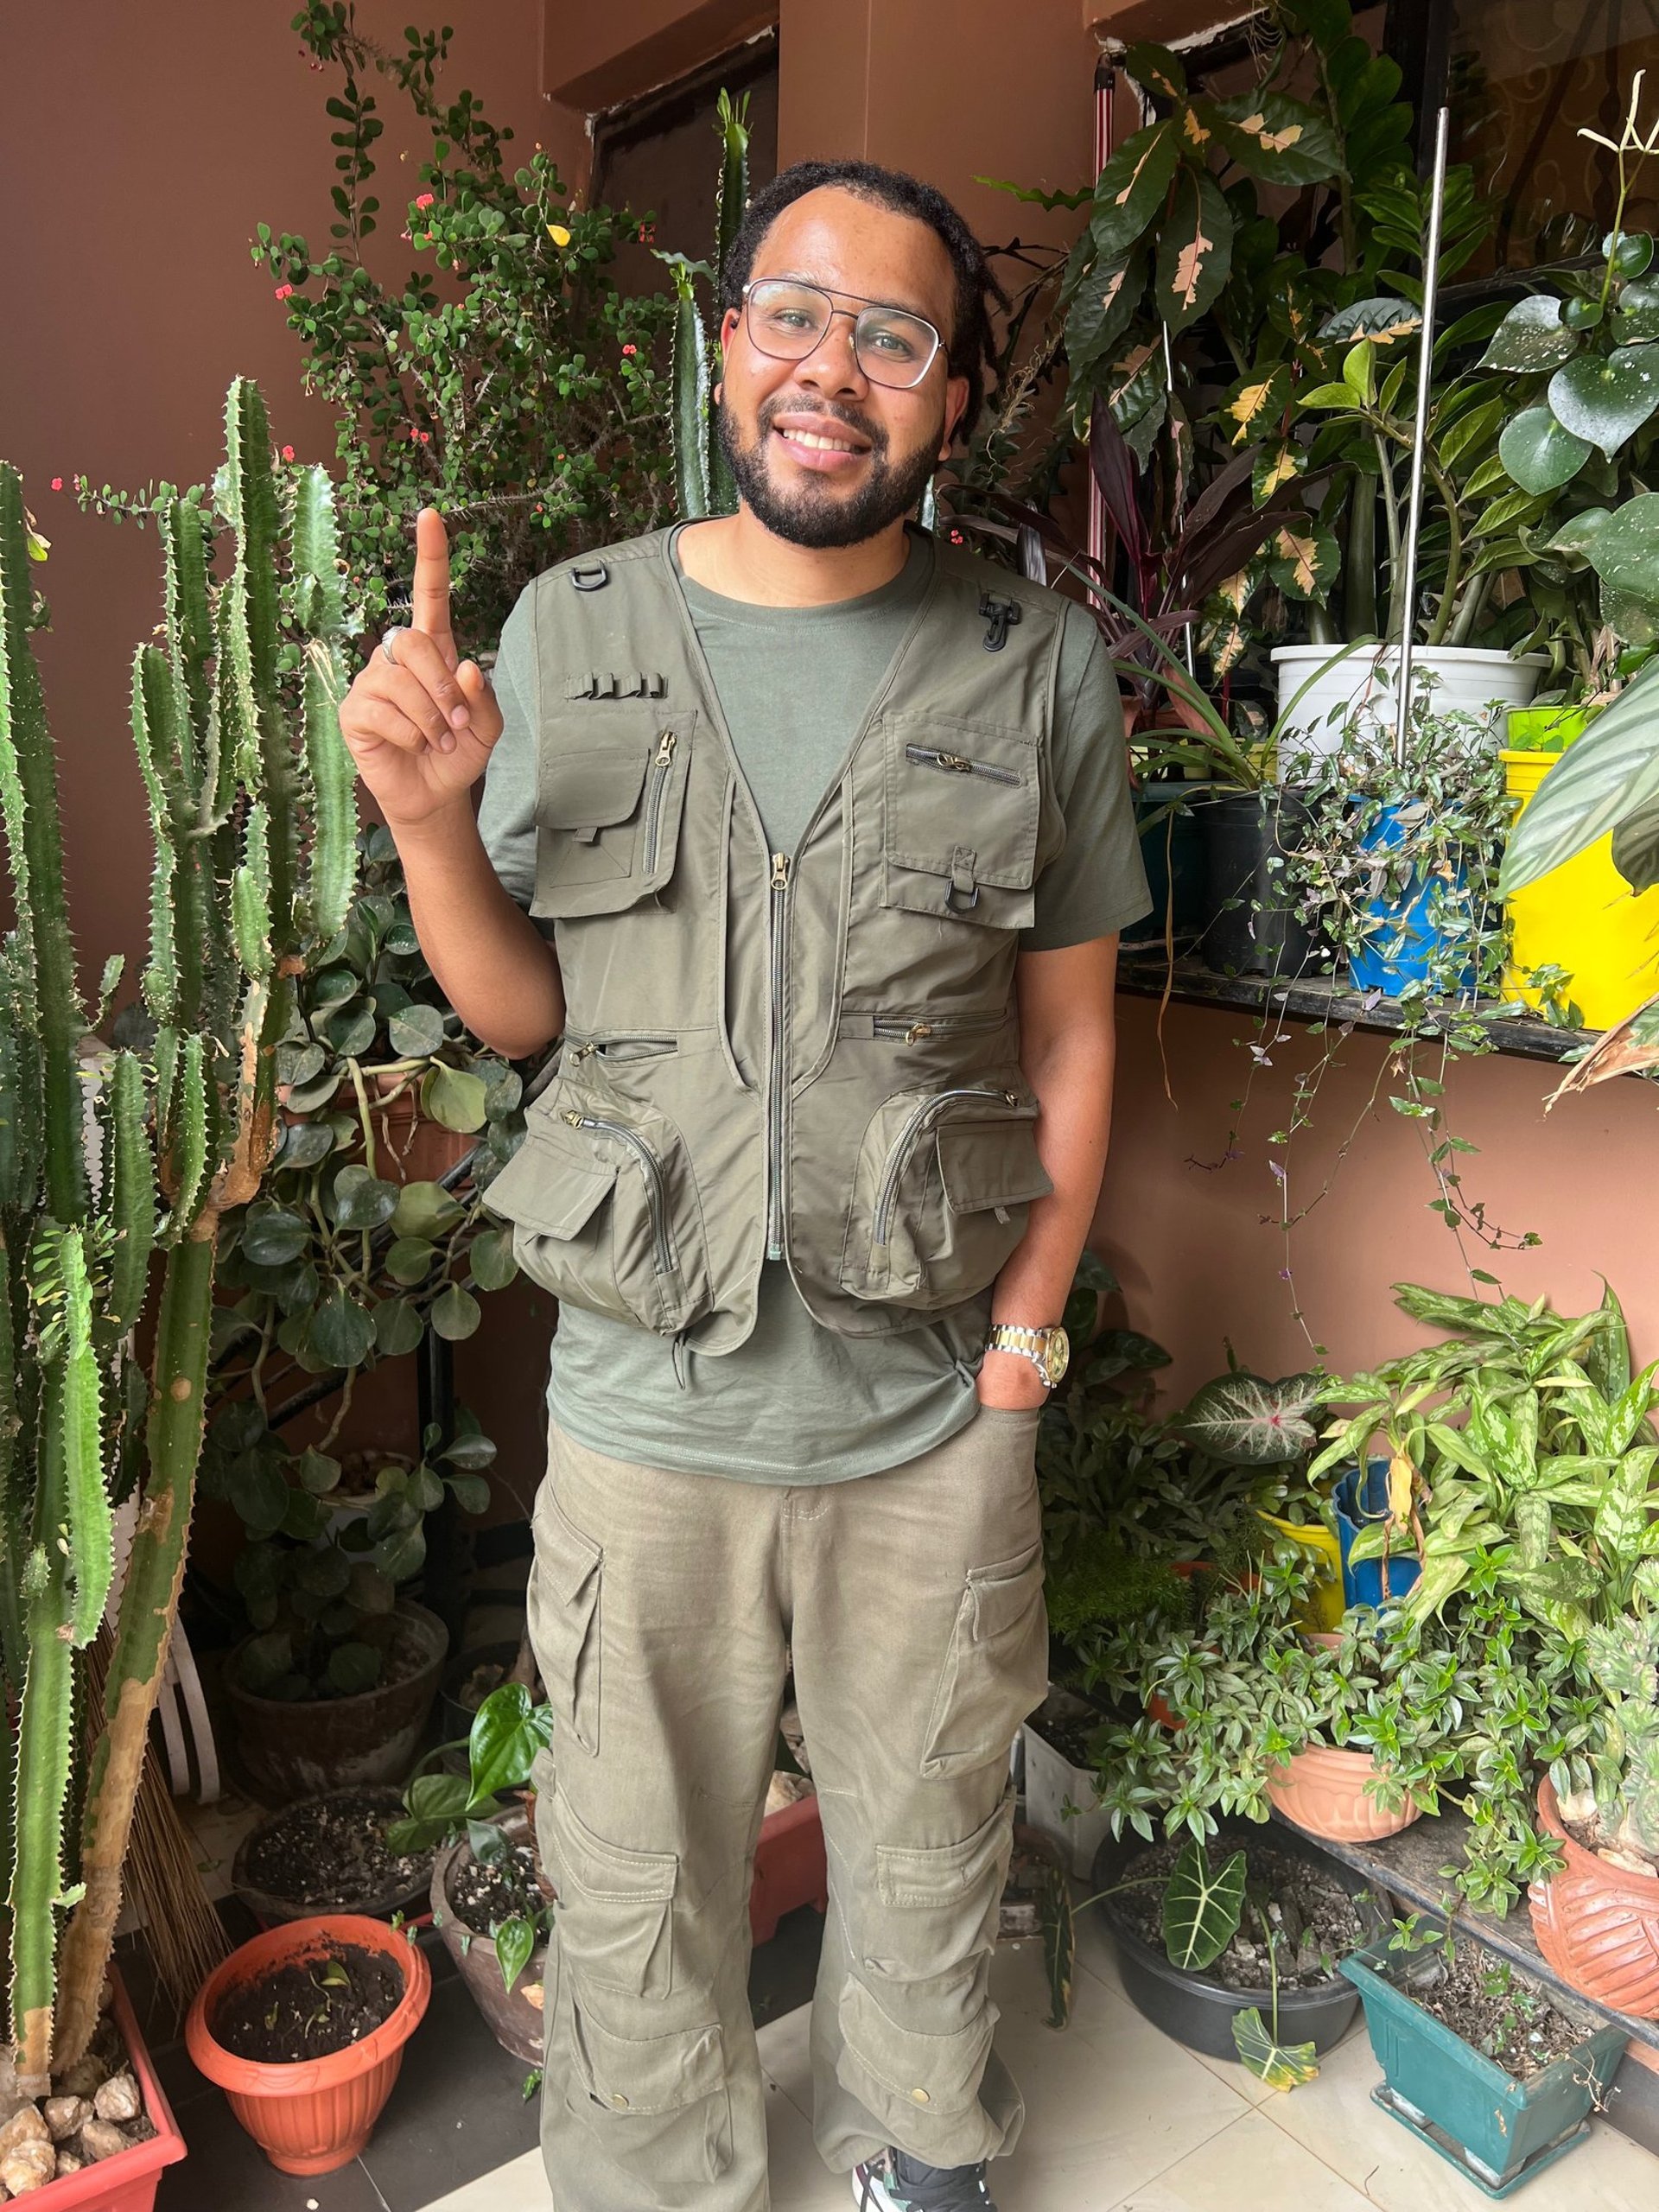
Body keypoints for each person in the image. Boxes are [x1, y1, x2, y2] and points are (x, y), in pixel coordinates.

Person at [338, 156, 1149, 2212]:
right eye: (796, 315)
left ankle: (915, 2149)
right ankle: (657, 2173)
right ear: (726, 349)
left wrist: (1030, 1341)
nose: (835, 371)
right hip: (644, 1409)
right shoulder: (579, 626)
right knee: (632, 1854)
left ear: (951, 398)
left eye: (896, 337)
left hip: (927, 1403)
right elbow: (521, 1012)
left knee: (931, 1822)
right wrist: (435, 826)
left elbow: (1068, 1037)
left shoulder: (1033, 666)